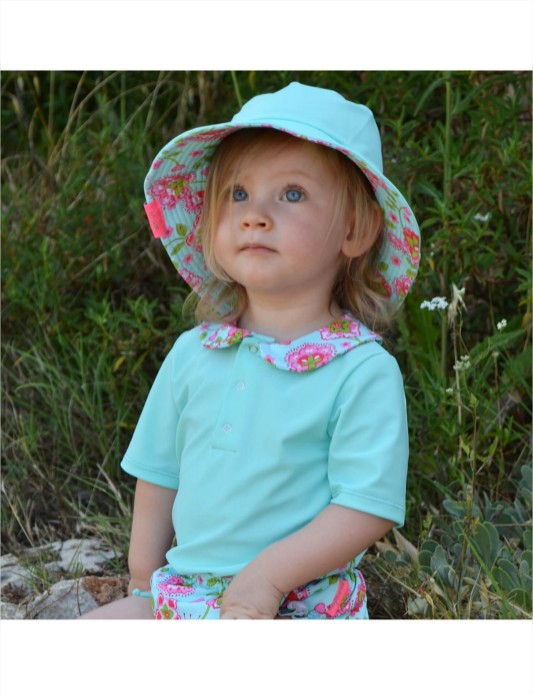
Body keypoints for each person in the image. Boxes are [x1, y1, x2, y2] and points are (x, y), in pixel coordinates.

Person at [81, 81, 420, 620]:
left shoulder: (360, 370)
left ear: (355, 230)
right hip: (185, 592)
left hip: (297, 600)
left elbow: (365, 506)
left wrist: (267, 578)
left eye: (292, 194)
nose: (254, 215)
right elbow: (159, 472)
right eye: (238, 193)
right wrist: (144, 583)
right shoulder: (194, 353)